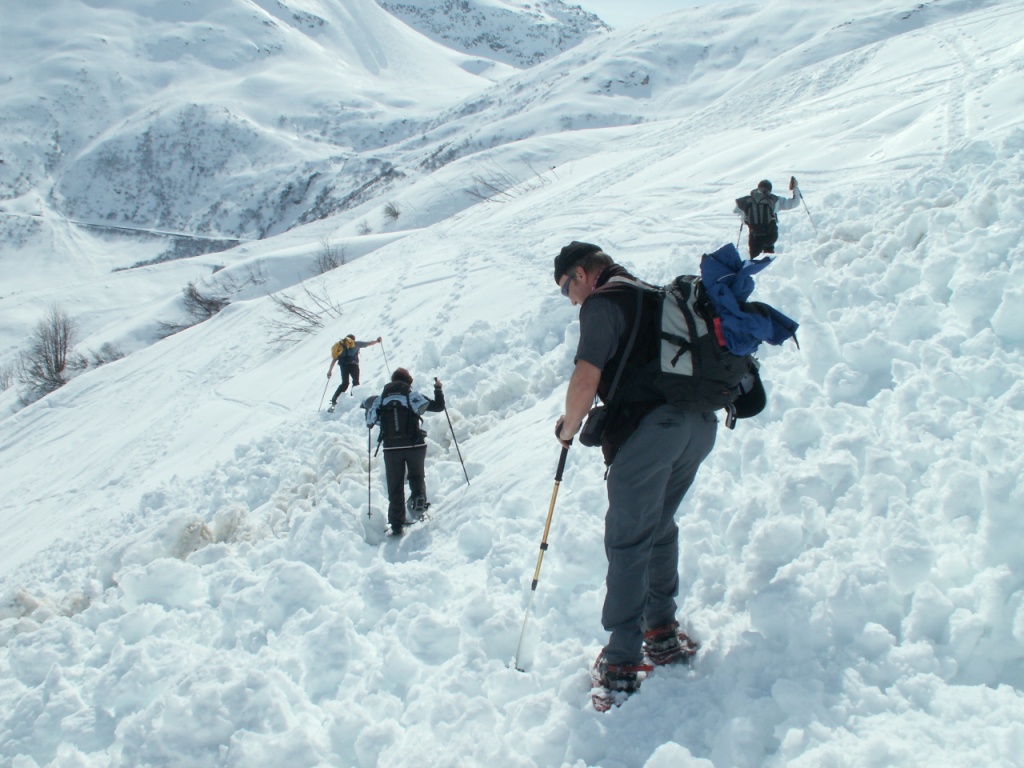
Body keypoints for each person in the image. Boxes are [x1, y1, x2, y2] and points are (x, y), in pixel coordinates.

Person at [552, 240, 717, 704]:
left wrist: (568, 428)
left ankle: (622, 660)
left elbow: (586, 378)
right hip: (698, 425)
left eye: (566, 288)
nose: (571, 299)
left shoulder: (604, 303)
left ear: (582, 274)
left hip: (651, 433)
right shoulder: (655, 295)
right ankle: (661, 631)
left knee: (628, 540)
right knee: (658, 527)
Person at [364, 368, 445, 535]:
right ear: (409, 382)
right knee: (416, 476)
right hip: (415, 445)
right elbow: (439, 407)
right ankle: (419, 500)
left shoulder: (381, 399)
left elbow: (370, 422)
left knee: (395, 485)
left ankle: (396, 525)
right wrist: (438, 389)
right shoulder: (412, 396)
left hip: (392, 449)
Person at [734, 177, 801, 258]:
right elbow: (795, 203)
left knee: (754, 259)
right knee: (768, 256)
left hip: (754, 236)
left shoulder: (747, 200)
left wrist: (745, 217)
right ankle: (769, 261)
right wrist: (795, 188)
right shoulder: (775, 199)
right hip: (770, 235)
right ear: (770, 189)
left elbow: (737, 211)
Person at [327, 334, 382, 411]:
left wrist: (330, 371)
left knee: (345, 383)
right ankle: (354, 400)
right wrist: (377, 341)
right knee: (355, 382)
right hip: (353, 366)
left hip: (343, 366)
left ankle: (334, 400)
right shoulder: (356, 344)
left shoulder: (339, 346)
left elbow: (334, 360)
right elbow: (369, 343)